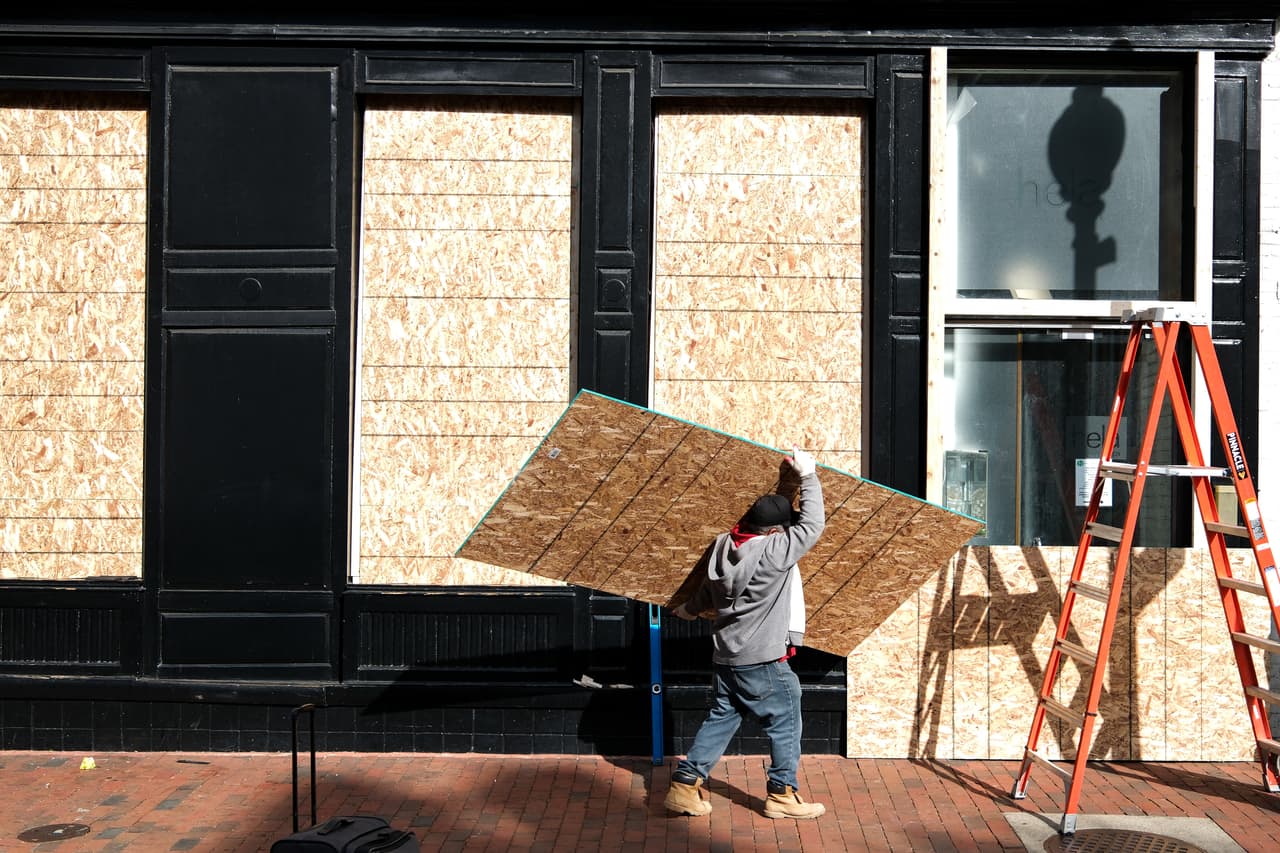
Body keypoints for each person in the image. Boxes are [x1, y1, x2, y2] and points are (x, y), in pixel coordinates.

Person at [663, 447, 826, 820]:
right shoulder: (773, 551)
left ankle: (685, 785)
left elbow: (707, 589)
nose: (789, 533)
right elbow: (813, 526)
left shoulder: (724, 544)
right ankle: (782, 793)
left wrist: (687, 610)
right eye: (785, 528)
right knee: (786, 718)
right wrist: (808, 475)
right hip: (763, 659)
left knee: (723, 716)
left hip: (727, 656)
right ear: (773, 531)